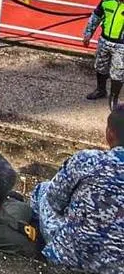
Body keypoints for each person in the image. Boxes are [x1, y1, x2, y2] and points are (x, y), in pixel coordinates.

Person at [31, 106, 124, 273]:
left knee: (42, 190)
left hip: (68, 258)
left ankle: (31, 242)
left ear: (109, 134)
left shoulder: (88, 160)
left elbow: (54, 200)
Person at [84, 0, 124, 109]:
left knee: (118, 73)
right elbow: (95, 17)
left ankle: (114, 98)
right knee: (100, 67)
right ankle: (101, 90)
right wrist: (88, 34)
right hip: (104, 41)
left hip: (121, 46)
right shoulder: (107, 0)